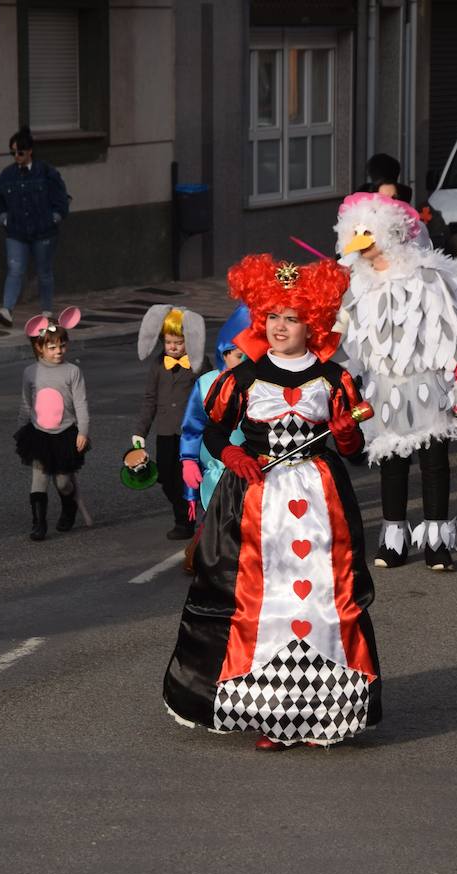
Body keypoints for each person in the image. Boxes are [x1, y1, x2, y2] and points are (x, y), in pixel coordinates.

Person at [163, 254, 380, 750]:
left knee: (321, 599)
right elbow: (213, 432)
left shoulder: (333, 380)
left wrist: (346, 436)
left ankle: (323, 714)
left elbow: (354, 449)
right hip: (258, 501)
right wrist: (233, 453)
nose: (281, 326)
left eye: (293, 317)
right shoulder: (242, 379)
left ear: (315, 322)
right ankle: (271, 716)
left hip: (320, 501)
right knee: (267, 604)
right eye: (274, 317)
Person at [336, 191, 457, 570]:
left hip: (426, 381)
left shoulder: (425, 276)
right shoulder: (358, 284)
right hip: (383, 386)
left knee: (434, 461)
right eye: (355, 233)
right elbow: (349, 338)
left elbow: (453, 329)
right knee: (391, 461)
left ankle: (436, 541)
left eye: (367, 232)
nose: (361, 242)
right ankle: (393, 540)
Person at [134, 305, 208, 540]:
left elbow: (210, 392)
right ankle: (185, 512)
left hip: (191, 434)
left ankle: (186, 521)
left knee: (190, 476)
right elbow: (150, 399)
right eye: (168, 342)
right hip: (166, 432)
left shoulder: (199, 363)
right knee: (166, 476)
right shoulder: (158, 365)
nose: (173, 347)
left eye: (179, 342)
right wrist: (140, 431)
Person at [14, 309, 89, 540]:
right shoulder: (30, 373)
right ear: (40, 348)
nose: (58, 352)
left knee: (63, 481)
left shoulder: (72, 372)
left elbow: (81, 403)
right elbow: (27, 403)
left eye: (62, 346)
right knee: (39, 477)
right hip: (39, 434)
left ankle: (69, 506)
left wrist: (83, 431)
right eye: (52, 347)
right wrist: (21, 428)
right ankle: (39, 523)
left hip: (66, 433)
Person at [0, 127, 70, 327]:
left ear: (30, 151)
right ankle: (7, 310)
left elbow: (61, 197)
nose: (16, 156)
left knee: (44, 271)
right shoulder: (7, 175)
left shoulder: (46, 172)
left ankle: (47, 310)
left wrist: (54, 218)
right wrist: (4, 219)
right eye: (13, 152)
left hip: (44, 231)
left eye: (20, 152)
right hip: (16, 231)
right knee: (15, 269)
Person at [180, 304, 252, 515]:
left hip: (257, 473)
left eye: (251, 356)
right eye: (239, 356)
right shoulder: (206, 383)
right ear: (224, 352)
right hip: (217, 476)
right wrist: (189, 461)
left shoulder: (261, 383)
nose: (245, 362)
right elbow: (193, 427)